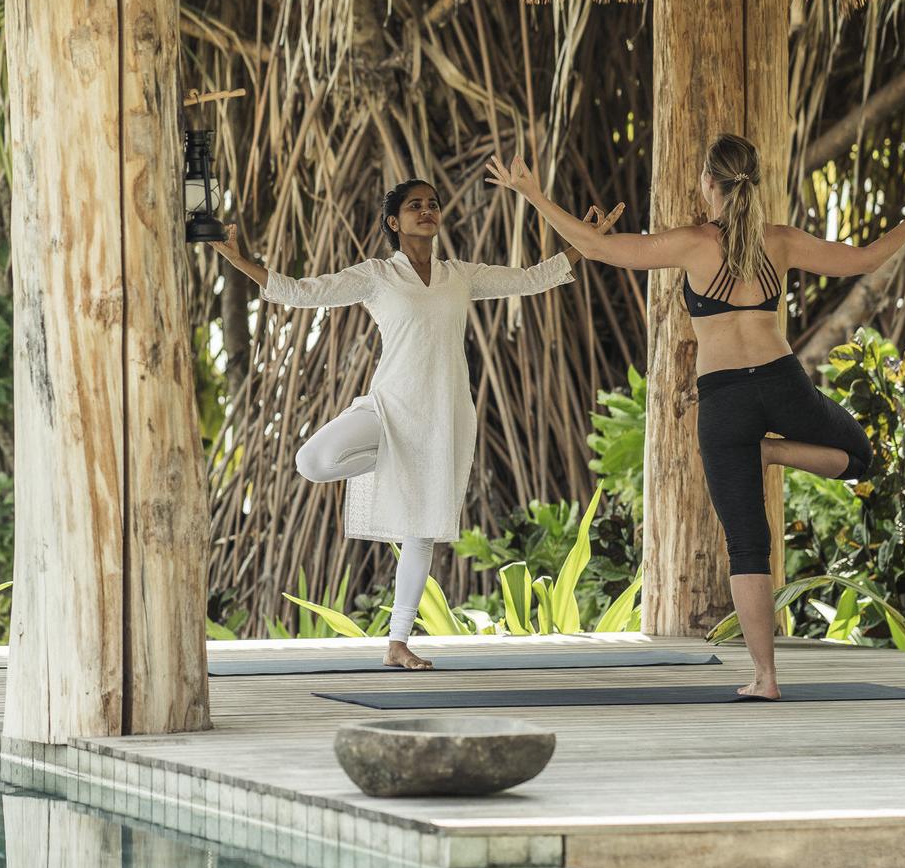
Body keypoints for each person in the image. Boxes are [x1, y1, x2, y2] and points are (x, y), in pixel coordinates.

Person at [486, 135, 905, 698]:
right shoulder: (779, 243)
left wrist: (533, 194)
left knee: (747, 544)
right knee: (861, 458)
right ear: (753, 182)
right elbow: (865, 257)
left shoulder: (693, 244)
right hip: (783, 385)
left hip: (724, 403)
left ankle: (765, 678)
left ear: (708, 183)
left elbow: (596, 247)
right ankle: (776, 451)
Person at [209, 178, 620, 669]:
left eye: (432, 204)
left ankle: (397, 644)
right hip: (389, 407)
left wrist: (585, 244)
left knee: (421, 532)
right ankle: (386, 462)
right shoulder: (377, 275)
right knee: (312, 461)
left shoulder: (459, 275)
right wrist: (237, 259)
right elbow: (301, 293)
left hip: (443, 416)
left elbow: (532, 277)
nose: (426, 211)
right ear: (393, 221)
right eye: (414, 206)